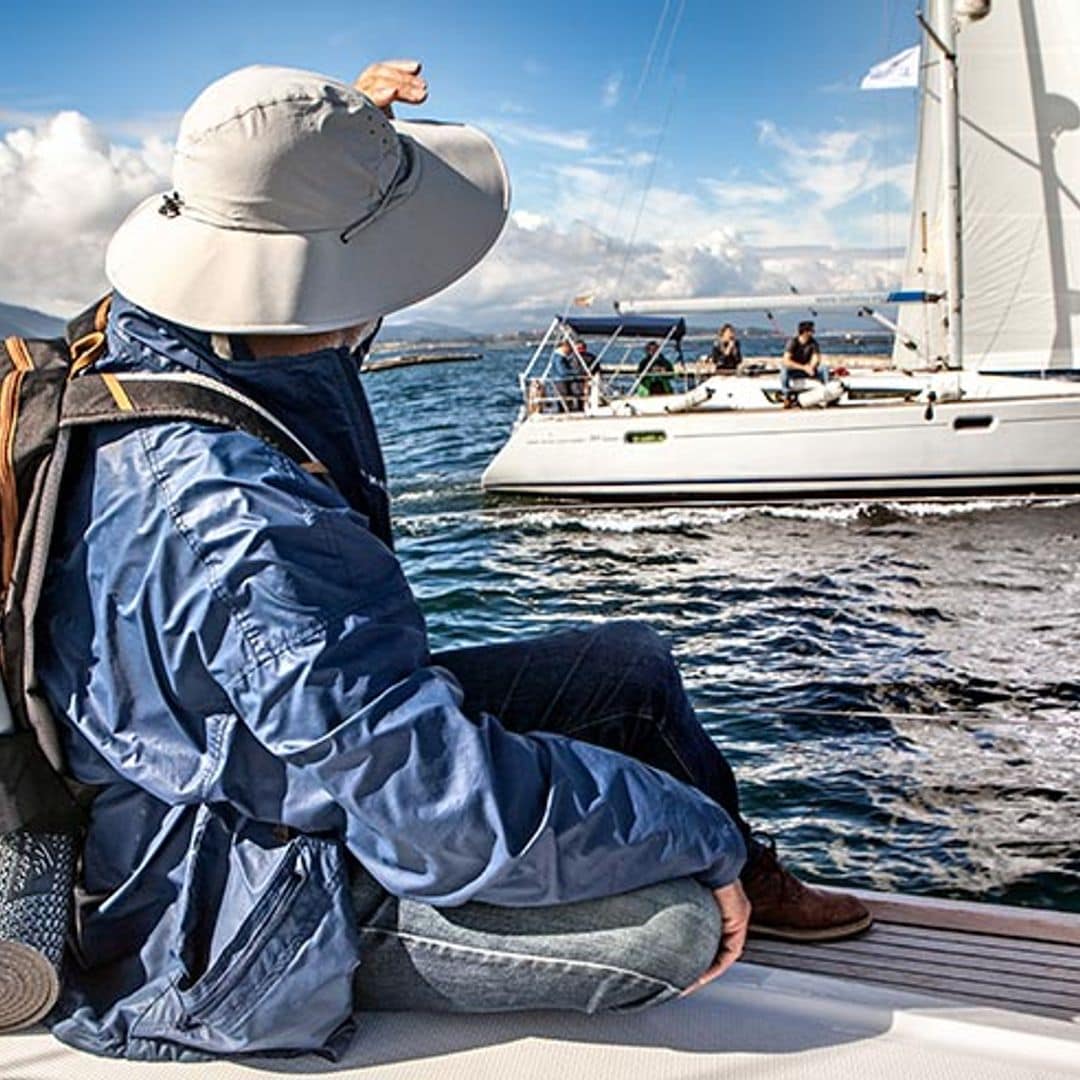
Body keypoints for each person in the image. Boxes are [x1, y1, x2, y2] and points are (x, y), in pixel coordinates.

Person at [37, 61, 870, 1064]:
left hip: (279, 757)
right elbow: (440, 811)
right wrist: (694, 832)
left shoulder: (158, 342)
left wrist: (330, 148)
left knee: (631, 669)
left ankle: (737, 868)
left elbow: (271, 252)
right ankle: (725, 868)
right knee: (673, 931)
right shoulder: (245, 522)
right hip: (238, 903)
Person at [780, 320, 830, 405]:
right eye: (812, 330)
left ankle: (828, 391)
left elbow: (816, 357)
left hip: (809, 369)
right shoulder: (793, 342)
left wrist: (811, 367)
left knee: (824, 368)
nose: (813, 332)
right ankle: (786, 395)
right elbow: (786, 360)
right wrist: (804, 367)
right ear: (805, 332)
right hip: (796, 370)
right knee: (784, 370)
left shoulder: (813, 343)